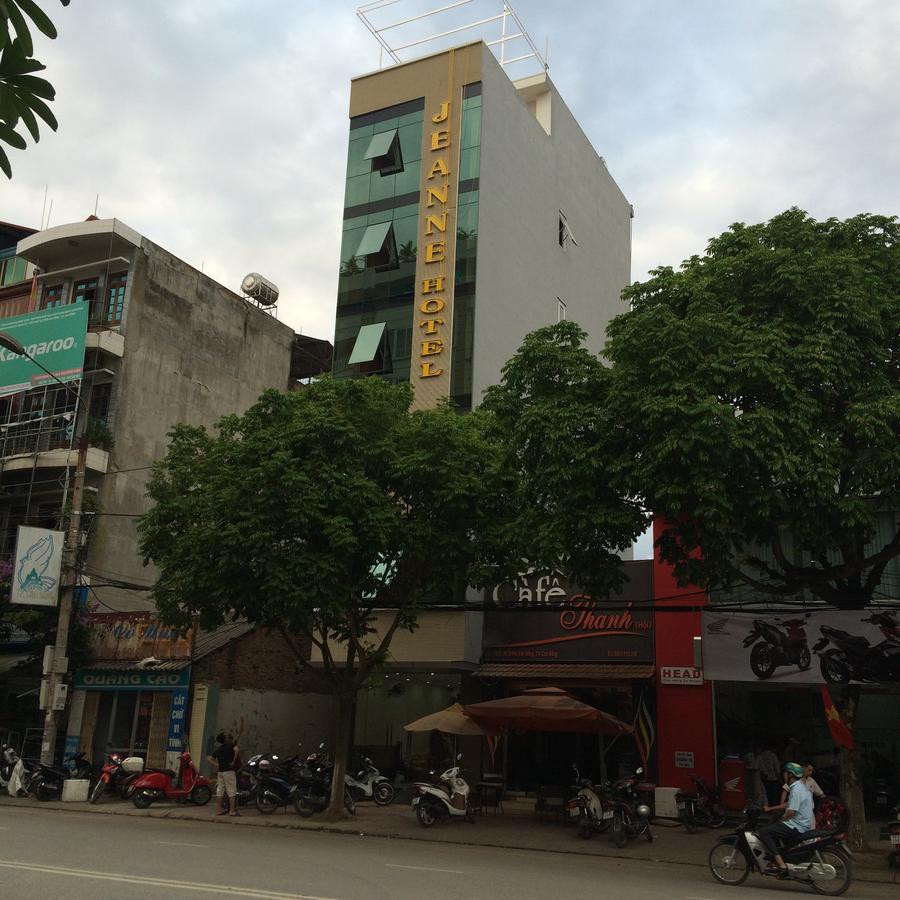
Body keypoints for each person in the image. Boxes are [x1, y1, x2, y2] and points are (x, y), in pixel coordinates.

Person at [758, 762, 813, 877]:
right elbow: (789, 804)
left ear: (790, 775)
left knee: (764, 832)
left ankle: (781, 865)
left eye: (785, 773)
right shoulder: (800, 786)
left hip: (797, 825)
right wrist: (771, 808)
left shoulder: (796, 789)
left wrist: (782, 819)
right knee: (775, 828)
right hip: (803, 823)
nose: (783, 775)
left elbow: (791, 811)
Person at [208, 731, 240, 817]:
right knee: (232, 790)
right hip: (229, 771)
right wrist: (233, 762)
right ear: (225, 739)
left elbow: (210, 758)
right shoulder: (230, 745)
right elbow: (237, 750)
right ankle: (232, 811)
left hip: (220, 772)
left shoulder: (219, 749)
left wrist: (217, 764)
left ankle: (218, 810)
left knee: (220, 790)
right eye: (226, 736)